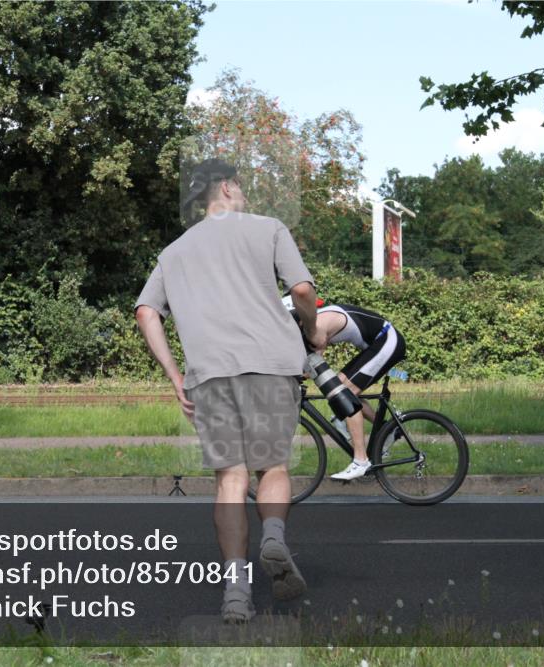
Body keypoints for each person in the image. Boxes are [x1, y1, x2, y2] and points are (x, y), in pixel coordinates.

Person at [135, 158, 322, 623]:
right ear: (228, 186)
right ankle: (274, 536)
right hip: (269, 366)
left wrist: (177, 378)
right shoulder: (268, 228)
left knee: (230, 480)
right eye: (239, 185)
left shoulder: (174, 251)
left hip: (209, 374)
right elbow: (301, 289)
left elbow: (145, 312)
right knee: (272, 466)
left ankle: (236, 593)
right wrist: (312, 328)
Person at [282, 296, 407, 480]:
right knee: (342, 390)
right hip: (376, 344)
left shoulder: (317, 325)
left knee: (344, 395)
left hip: (387, 340)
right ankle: (389, 428)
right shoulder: (306, 326)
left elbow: (312, 362)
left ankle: (360, 461)